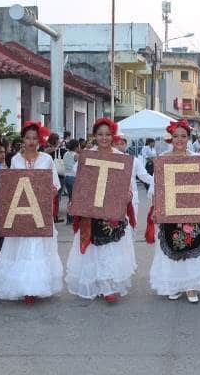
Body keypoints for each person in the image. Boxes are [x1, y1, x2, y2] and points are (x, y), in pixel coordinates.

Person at [0, 121, 63, 304]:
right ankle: (24, 288)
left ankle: (35, 287)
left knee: (37, 247)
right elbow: (12, 184)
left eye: (34, 138)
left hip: (40, 211)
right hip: (20, 211)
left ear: (40, 140)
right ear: (22, 139)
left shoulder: (46, 159)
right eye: (28, 138)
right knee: (21, 247)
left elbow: (55, 184)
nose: (31, 141)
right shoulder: (15, 160)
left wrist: (50, 190)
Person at [149, 119, 200, 303]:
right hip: (170, 211)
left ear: (188, 138)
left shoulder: (197, 159)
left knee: (192, 245)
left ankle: (191, 285)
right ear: (170, 138)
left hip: (191, 211)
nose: (179, 140)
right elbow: (157, 187)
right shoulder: (163, 160)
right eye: (176, 136)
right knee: (171, 246)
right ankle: (174, 284)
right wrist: (156, 208)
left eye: (183, 136)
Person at [65, 118, 137, 303]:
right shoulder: (87, 156)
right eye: (100, 134)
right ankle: (98, 284)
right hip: (91, 210)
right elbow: (80, 183)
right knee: (94, 248)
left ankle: (107, 286)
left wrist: (127, 195)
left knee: (110, 247)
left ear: (113, 135)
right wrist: (76, 202)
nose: (104, 138)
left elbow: (126, 185)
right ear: (94, 136)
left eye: (107, 134)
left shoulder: (120, 157)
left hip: (113, 210)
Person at [112, 134, 153, 221]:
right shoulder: (108, 160)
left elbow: (144, 176)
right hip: (113, 199)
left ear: (126, 145)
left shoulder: (134, 160)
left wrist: (159, 180)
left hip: (132, 199)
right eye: (116, 144)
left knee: (131, 226)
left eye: (122, 144)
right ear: (112, 145)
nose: (119, 146)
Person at [62, 139, 79, 224]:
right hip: (73, 178)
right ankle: (71, 218)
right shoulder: (76, 155)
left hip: (66, 177)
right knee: (74, 199)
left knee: (70, 198)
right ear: (76, 147)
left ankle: (69, 218)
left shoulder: (66, 154)